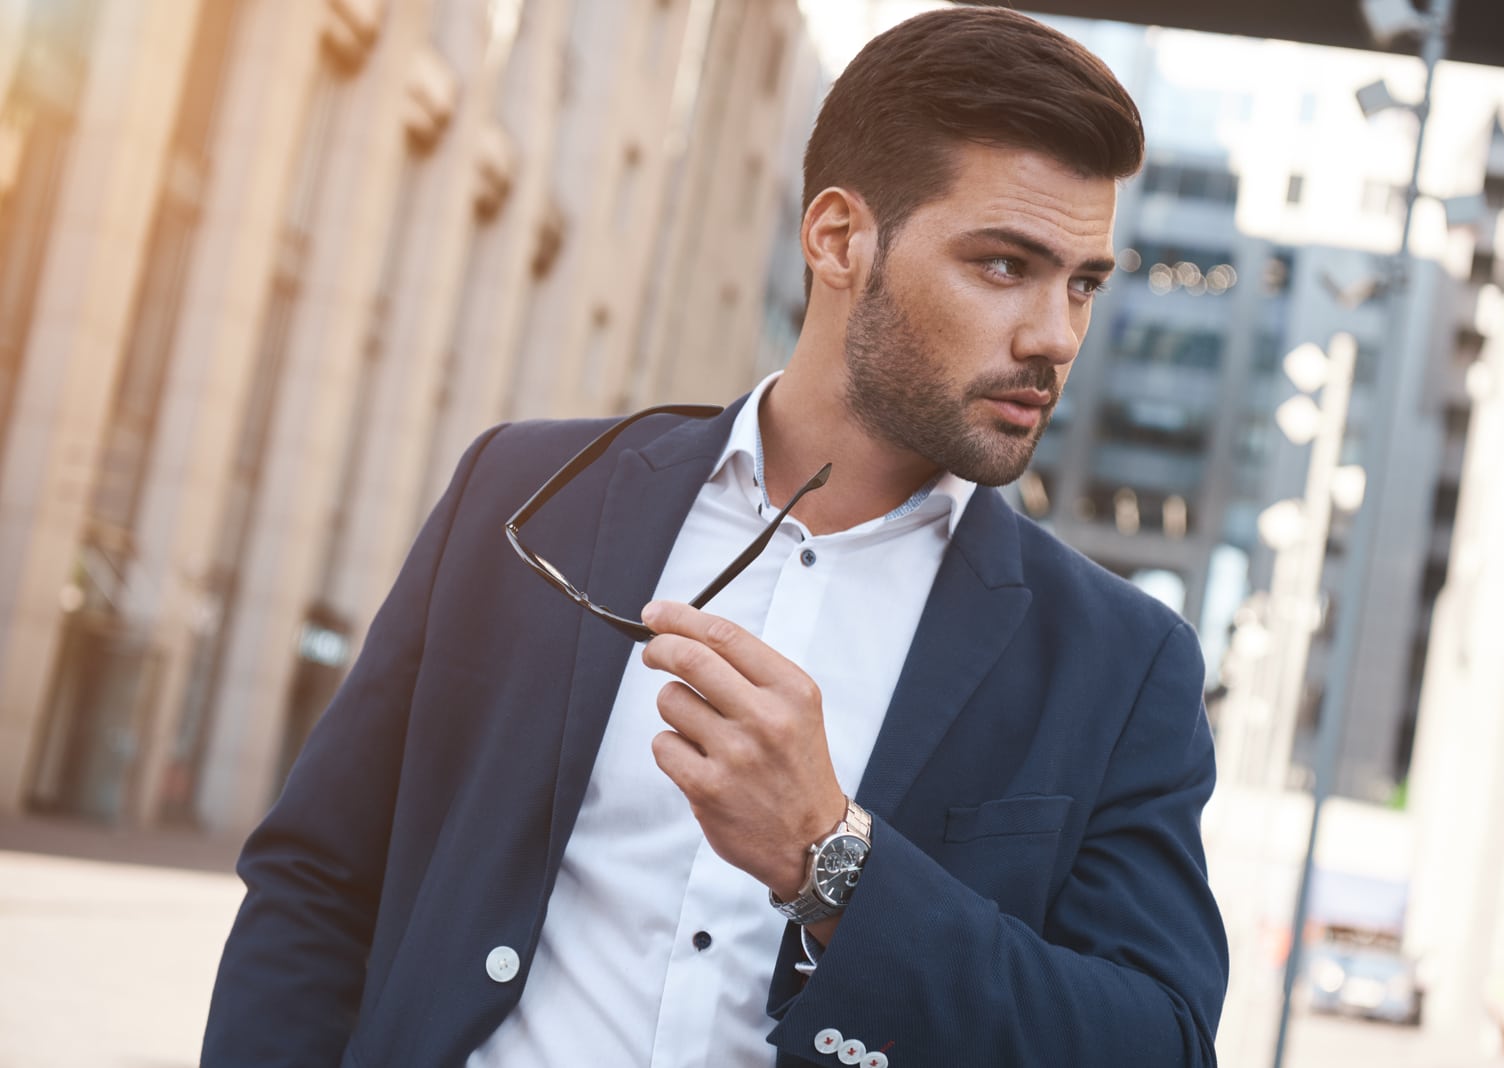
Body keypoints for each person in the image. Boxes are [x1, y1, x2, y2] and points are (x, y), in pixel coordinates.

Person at [202, 8, 1228, 1066]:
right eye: (1006, 265)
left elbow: (1155, 1041)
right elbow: (319, 880)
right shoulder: (530, 495)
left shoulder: (1120, 664)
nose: (1055, 335)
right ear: (839, 239)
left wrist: (832, 861)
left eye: (1084, 283)